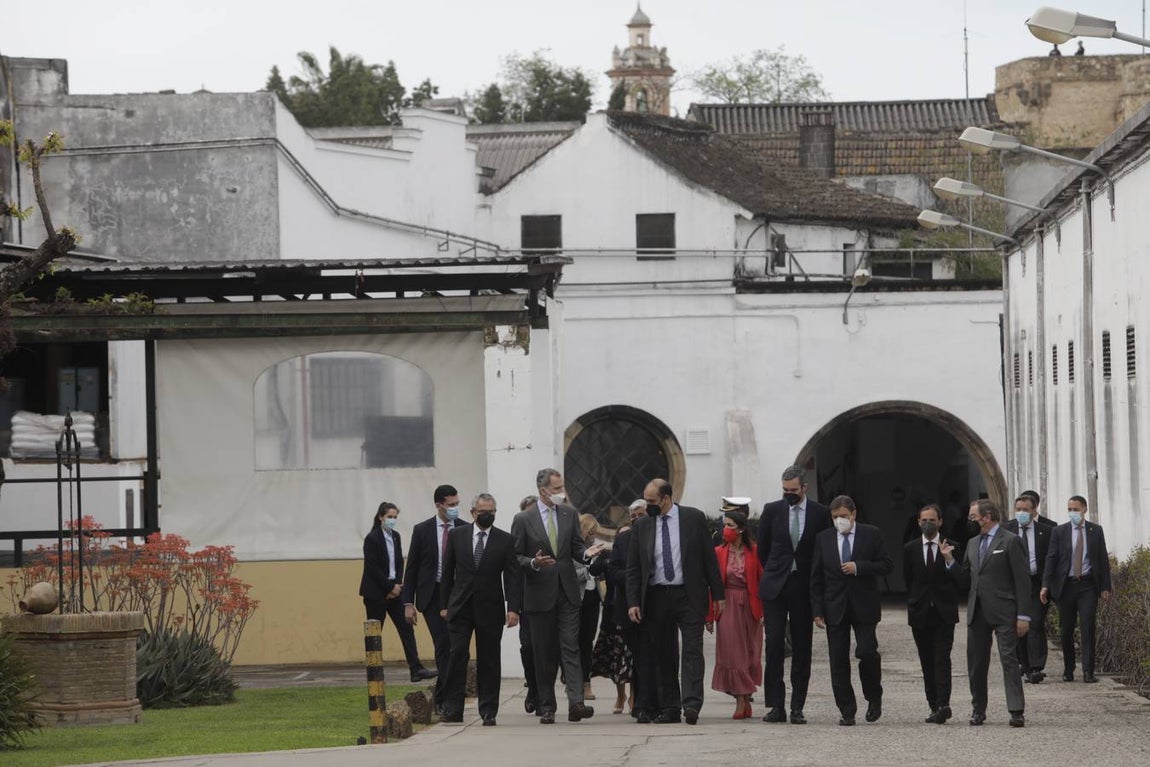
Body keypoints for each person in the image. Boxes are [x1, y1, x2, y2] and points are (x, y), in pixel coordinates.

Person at [626, 478, 724, 725]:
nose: (647, 505)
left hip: (689, 594)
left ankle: (691, 704)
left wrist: (718, 594)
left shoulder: (693, 518)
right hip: (657, 596)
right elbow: (634, 568)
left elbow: (709, 558)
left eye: (652, 501)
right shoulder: (643, 526)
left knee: (692, 650)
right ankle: (670, 707)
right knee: (664, 654)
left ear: (667, 498)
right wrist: (633, 601)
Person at [510, 468, 595, 724]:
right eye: (557, 489)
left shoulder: (569, 514)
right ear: (543, 490)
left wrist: (587, 554)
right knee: (543, 652)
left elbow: (576, 546)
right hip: (539, 594)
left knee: (571, 646)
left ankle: (576, 703)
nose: (562, 493)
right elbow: (514, 557)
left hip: (567, 591)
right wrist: (533, 563)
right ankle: (547, 706)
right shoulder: (523, 519)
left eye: (562, 487)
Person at [940, 499, 1029, 728]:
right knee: (977, 663)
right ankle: (978, 709)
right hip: (977, 610)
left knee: (1009, 660)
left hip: (1004, 610)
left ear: (987, 517)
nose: (969, 520)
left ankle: (1016, 710)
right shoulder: (972, 543)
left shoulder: (1010, 541)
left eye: (973, 516)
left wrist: (1023, 616)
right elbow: (966, 579)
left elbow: (1022, 580)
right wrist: (949, 560)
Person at [757, 464, 832, 725]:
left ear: (804, 487)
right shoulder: (772, 510)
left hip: (804, 587)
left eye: (793, 490)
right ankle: (776, 705)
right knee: (774, 644)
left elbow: (823, 550)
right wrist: (776, 571)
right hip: (775, 586)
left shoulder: (820, 513)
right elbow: (763, 549)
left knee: (802, 647)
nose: (788, 494)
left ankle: (797, 706)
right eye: (785, 490)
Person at [438, 493, 521, 726]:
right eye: (483, 512)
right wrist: (444, 605)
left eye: (491, 512)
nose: (488, 515)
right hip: (460, 607)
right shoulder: (457, 535)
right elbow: (447, 573)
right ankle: (453, 708)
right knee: (457, 655)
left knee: (489, 660)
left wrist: (513, 608)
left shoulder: (505, 540)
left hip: (490, 608)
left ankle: (488, 710)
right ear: (473, 513)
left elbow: (512, 577)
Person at [811, 495, 892, 726]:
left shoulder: (871, 534)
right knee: (837, 659)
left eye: (844, 516)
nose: (840, 520)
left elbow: (886, 565)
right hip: (834, 606)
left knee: (866, 651)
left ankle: (873, 696)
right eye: (835, 517)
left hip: (864, 604)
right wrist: (817, 609)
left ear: (854, 514)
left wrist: (859, 567)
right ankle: (846, 709)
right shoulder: (824, 538)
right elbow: (816, 576)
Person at [401, 484, 467, 714]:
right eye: (451, 505)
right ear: (439, 505)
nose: (455, 508)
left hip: (457, 595)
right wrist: (408, 603)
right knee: (442, 644)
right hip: (432, 595)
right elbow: (412, 568)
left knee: (456, 647)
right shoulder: (423, 530)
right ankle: (444, 699)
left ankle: (444, 695)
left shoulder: (464, 528)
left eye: (457, 504)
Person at [359, 502, 437, 684]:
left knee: (406, 628)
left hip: (395, 592)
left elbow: (400, 562)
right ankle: (374, 673)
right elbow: (372, 567)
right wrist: (388, 588)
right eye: (389, 517)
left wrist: (397, 586)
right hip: (376, 594)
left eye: (395, 517)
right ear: (381, 517)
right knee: (375, 633)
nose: (392, 520)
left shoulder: (395, 536)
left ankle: (416, 669)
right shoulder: (372, 538)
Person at [1041, 495, 1112, 683]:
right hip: (1066, 587)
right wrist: (1045, 585)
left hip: (1087, 586)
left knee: (1088, 627)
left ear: (1084, 510)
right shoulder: (1059, 531)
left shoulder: (1096, 531)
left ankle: (1088, 671)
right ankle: (1069, 668)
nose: (1072, 512)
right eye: (1070, 509)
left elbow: (1102, 559)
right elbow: (1051, 558)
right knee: (1066, 629)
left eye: (1076, 509)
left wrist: (1105, 587)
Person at [903, 503, 959, 724]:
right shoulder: (910, 548)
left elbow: (961, 579)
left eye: (932, 520)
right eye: (924, 520)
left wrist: (949, 559)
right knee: (926, 660)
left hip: (944, 611)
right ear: (918, 522)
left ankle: (944, 704)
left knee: (941, 659)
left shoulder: (952, 545)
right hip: (920, 612)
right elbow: (909, 579)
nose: (928, 524)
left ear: (940, 522)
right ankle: (933, 705)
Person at [708, 501, 762, 720]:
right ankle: (740, 699)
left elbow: (762, 580)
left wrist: (764, 611)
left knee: (750, 652)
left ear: (740, 529)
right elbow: (712, 585)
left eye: (729, 525)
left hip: (750, 606)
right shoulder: (718, 552)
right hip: (727, 604)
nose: (725, 529)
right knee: (733, 653)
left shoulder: (755, 551)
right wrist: (710, 615)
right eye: (725, 525)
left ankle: (746, 697)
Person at [610, 500, 653, 721]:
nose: (637, 520)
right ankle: (639, 702)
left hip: (654, 606)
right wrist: (633, 577)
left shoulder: (656, 536)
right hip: (628, 607)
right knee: (637, 657)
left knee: (653, 656)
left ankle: (650, 700)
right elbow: (613, 571)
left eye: (641, 515)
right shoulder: (623, 539)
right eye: (633, 516)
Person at [1004, 494, 1053, 683]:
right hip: (1013, 585)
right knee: (1018, 625)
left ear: (1034, 511)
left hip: (1036, 585)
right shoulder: (1006, 530)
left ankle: (1035, 666)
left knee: (1035, 623)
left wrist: (1046, 584)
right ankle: (1023, 664)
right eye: (1018, 509)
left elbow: (1051, 559)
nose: (1021, 513)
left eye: (1025, 510)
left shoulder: (1046, 531)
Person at [590, 515, 630, 715]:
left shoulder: (635, 557)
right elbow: (593, 570)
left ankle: (634, 695)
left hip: (630, 610)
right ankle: (620, 695)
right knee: (616, 655)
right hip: (612, 611)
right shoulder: (609, 556)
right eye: (621, 537)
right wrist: (601, 556)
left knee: (630, 656)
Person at [576, 513, 608, 702]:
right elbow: (571, 572)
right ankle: (574, 680)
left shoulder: (597, 550)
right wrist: (589, 567)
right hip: (576, 599)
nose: (593, 537)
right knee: (574, 642)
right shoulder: (575, 548)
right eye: (591, 533)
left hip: (592, 598)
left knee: (587, 641)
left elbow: (600, 575)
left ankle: (586, 683)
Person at [516, 495, 541, 715]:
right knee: (528, 647)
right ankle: (533, 687)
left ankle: (543, 693)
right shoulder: (520, 529)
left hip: (549, 596)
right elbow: (514, 562)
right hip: (526, 598)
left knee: (546, 649)